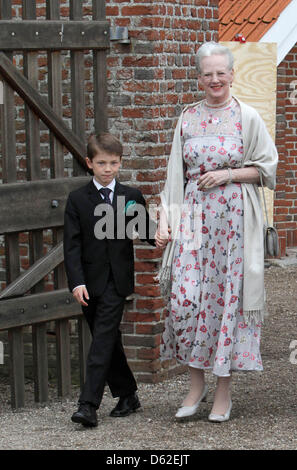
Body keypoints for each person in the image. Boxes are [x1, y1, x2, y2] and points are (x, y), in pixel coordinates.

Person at [155, 41, 278, 422]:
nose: (214, 80)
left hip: (235, 222)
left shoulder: (248, 117)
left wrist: (227, 174)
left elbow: (266, 169)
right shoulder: (187, 118)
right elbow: (175, 174)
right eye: (207, 73)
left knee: (227, 302)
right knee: (185, 300)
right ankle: (196, 384)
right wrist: (165, 221)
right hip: (194, 219)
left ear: (232, 74)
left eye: (220, 72)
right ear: (198, 77)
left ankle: (223, 390)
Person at [64, 132, 156, 427]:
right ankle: (128, 394)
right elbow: (72, 245)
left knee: (101, 341)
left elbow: (147, 230)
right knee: (108, 341)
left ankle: (88, 405)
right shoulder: (77, 199)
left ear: (120, 163)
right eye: (102, 163)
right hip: (88, 284)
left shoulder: (130, 196)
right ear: (89, 163)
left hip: (117, 282)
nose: (108, 169)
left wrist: (163, 235)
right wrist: (77, 282)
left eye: (114, 163)